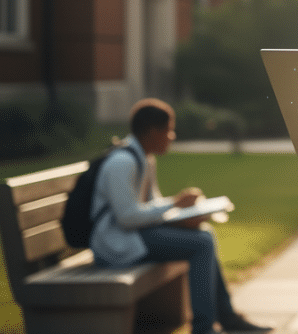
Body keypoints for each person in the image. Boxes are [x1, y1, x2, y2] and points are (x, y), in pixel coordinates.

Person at [90, 98, 271, 334]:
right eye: (169, 130)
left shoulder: (144, 158)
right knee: (201, 243)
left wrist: (183, 215)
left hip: (133, 236)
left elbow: (150, 208)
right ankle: (206, 327)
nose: (172, 136)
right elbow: (127, 217)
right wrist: (174, 205)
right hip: (115, 245)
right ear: (153, 132)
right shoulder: (122, 162)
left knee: (203, 233)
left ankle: (225, 319)